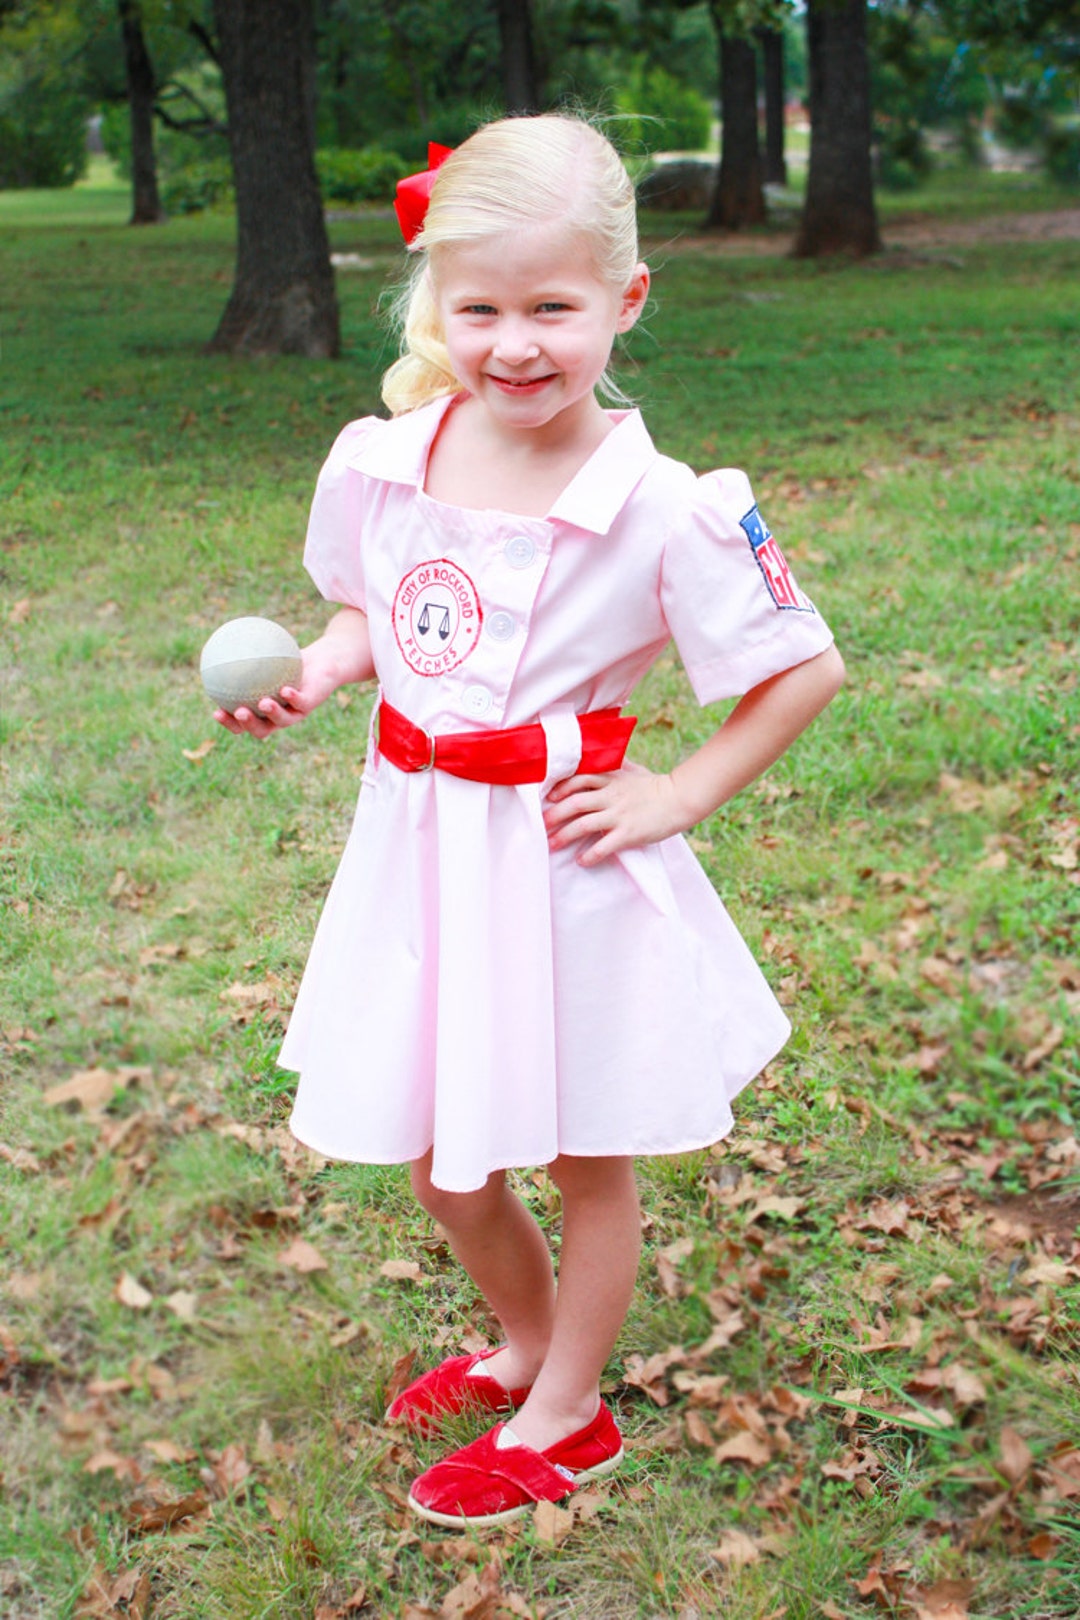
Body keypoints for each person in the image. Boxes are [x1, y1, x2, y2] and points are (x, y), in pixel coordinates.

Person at [213, 114, 844, 1531]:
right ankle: (520, 1341)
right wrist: (317, 670)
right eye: (477, 306)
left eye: (551, 308)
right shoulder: (387, 455)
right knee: (446, 1150)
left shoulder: (667, 505)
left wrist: (676, 791)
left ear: (623, 301)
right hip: (420, 853)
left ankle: (572, 1410)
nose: (511, 344)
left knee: (582, 1150)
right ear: (434, 298)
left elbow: (804, 666)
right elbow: (373, 611)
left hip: (557, 862)